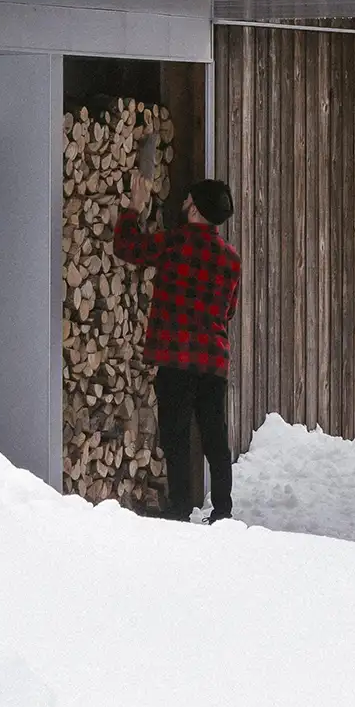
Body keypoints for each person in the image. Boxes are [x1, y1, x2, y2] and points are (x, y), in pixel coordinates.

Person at [113, 170, 240, 523]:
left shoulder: (174, 243)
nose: (182, 203)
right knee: (216, 436)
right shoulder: (231, 259)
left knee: (176, 435)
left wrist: (133, 210)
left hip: (176, 358)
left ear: (196, 210)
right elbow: (229, 310)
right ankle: (224, 509)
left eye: (187, 200)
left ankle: (180, 506)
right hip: (213, 361)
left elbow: (128, 247)